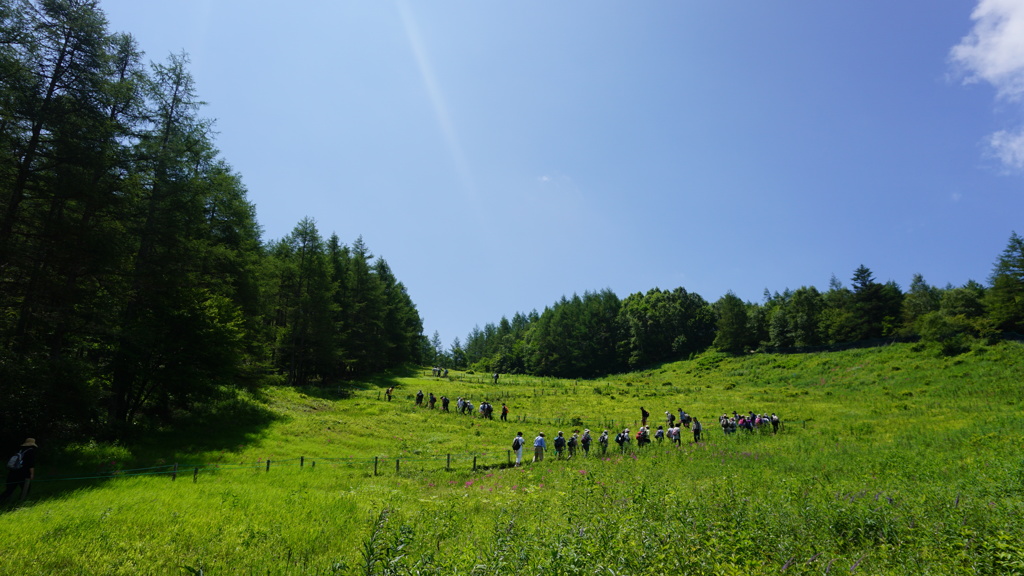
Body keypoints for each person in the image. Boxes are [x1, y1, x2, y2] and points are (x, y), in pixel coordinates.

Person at [1, 438, 37, 505]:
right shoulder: (31, 451)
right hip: (24, 474)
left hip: (13, 472)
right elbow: (31, 464)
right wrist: (32, 474)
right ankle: (21, 502)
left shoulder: (20, 450)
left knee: (9, 490)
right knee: (26, 489)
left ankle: (2, 500)